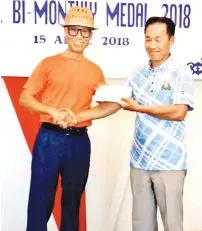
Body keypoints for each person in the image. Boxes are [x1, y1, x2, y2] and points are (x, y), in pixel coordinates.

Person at [65, 17, 194, 231]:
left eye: (158, 40)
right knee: (141, 225)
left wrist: (141, 108)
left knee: (173, 224)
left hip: (170, 163)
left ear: (171, 40)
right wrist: (77, 116)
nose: (152, 45)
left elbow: (179, 112)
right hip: (140, 161)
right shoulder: (137, 72)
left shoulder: (182, 71)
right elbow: (117, 103)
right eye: (148, 39)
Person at [19, 6, 113, 231]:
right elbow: (25, 97)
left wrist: (78, 116)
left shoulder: (95, 70)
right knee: (40, 200)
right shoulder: (48, 63)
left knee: (73, 201)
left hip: (79, 142)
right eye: (74, 30)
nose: (79, 36)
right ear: (65, 32)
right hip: (49, 138)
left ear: (91, 36)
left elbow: (110, 105)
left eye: (85, 31)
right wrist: (54, 112)